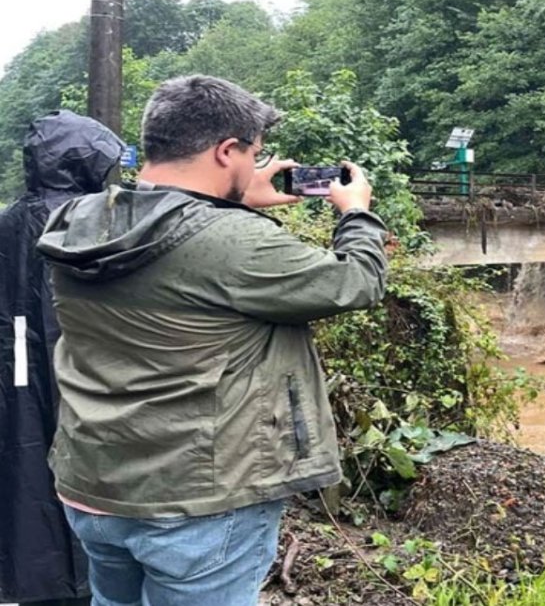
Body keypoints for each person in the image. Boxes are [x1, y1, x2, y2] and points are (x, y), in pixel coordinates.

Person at [35, 75, 389, 606]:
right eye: (253, 154)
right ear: (227, 150)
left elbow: (179, 241)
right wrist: (356, 212)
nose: (255, 164)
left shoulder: (79, 219)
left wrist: (237, 199)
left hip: (93, 485)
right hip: (197, 500)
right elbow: (357, 282)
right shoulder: (235, 242)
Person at [1, 110, 122, 606]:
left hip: (18, 368)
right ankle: (89, 582)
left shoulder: (11, 220)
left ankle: (35, 579)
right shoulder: (102, 218)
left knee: (26, 459)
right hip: (88, 369)